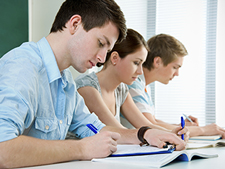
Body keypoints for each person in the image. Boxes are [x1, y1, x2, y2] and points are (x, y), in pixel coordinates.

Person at [0, 1, 186, 168]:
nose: (101, 58)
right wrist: (81, 149)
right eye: (100, 43)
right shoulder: (22, 66)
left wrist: (144, 135)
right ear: (74, 24)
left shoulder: (66, 83)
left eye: (108, 49)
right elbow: (3, 150)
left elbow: (95, 128)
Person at [74, 29, 189, 139]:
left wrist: (173, 133)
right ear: (114, 58)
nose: (140, 71)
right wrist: (161, 135)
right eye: (136, 63)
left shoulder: (121, 89)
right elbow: (120, 131)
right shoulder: (88, 88)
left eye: (142, 64)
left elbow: (144, 124)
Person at [123, 33, 225, 138]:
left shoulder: (144, 86)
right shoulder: (133, 84)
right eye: (175, 67)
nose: (177, 74)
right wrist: (202, 130)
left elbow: (154, 121)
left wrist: (181, 126)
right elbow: (151, 125)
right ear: (157, 61)